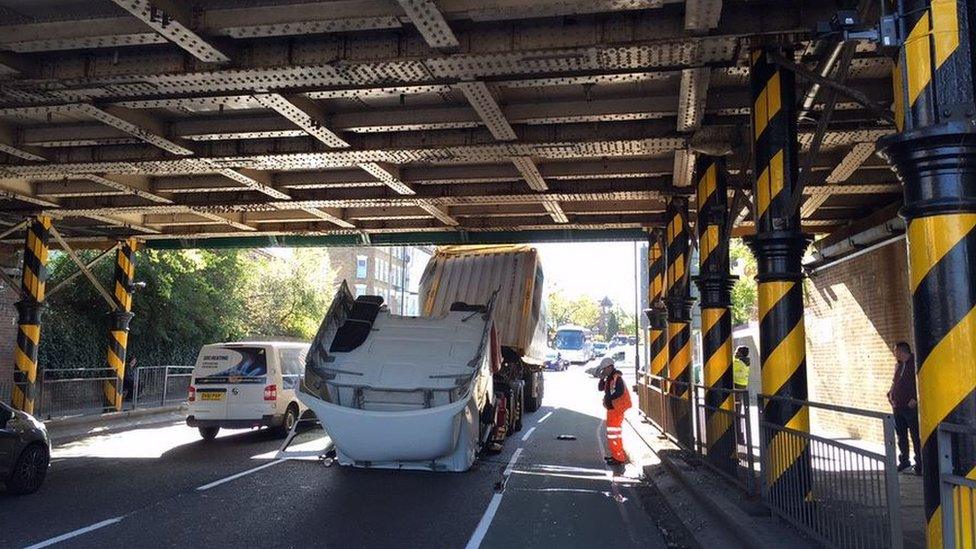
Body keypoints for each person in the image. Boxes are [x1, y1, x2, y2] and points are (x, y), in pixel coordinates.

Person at [887, 341, 921, 474]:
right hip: (898, 406)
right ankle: (904, 460)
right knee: (901, 436)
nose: (895, 354)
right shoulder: (899, 366)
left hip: (910, 406)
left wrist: (915, 399)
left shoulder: (914, 364)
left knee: (915, 435)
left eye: (896, 351)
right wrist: (890, 395)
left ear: (902, 351)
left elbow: (919, 382)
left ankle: (919, 463)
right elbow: (894, 382)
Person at [598, 356, 632, 464]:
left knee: (613, 434)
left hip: (616, 410)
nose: (603, 371)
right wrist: (602, 378)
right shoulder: (610, 378)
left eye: (604, 369)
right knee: (614, 435)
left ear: (610, 367)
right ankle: (616, 455)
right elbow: (600, 388)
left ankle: (618, 458)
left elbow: (620, 392)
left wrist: (608, 398)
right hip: (613, 409)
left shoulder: (617, 378)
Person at [733, 347, 751, 443]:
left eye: (737, 352)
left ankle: (739, 437)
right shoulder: (745, 362)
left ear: (741, 354)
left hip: (736, 390)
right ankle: (740, 437)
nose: (735, 353)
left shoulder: (738, 363)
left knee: (736, 413)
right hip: (741, 389)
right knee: (738, 413)